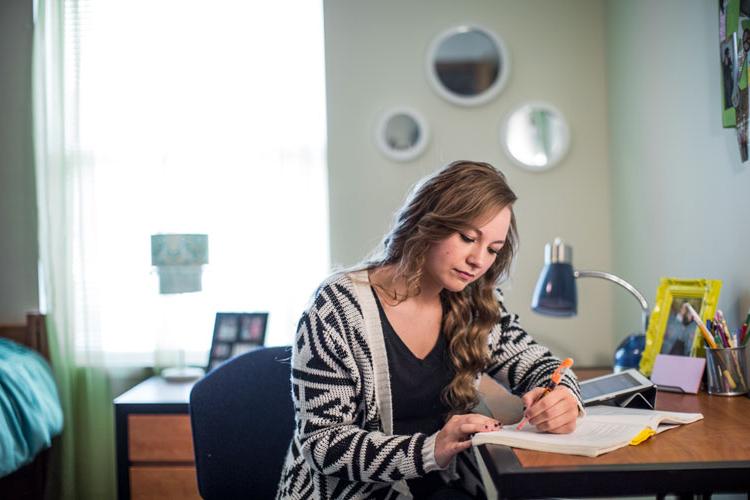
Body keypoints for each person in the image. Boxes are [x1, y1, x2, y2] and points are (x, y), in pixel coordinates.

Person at [276, 161, 583, 499]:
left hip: (439, 488)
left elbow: (542, 365)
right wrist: (431, 449)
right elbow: (323, 445)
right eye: (468, 238)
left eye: (493, 250)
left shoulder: (476, 303)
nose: (478, 260)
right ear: (428, 223)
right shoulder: (338, 307)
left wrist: (564, 396)